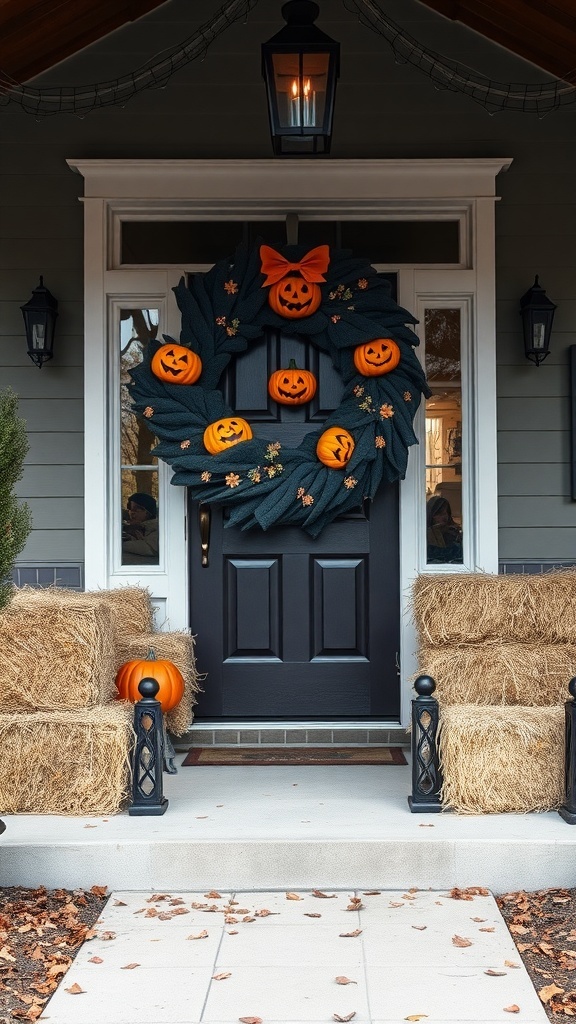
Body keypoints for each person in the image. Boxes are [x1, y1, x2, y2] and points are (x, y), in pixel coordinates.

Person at [122, 492, 159, 564]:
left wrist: (119, 544)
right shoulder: (139, 529)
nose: (132, 512)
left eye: (136, 509)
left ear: (148, 512)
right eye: (130, 509)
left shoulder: (156, 528)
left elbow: (149, 549)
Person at [426, 495, 462, 563]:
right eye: (440, 514)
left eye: (446, 513)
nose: (445, 517)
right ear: (431, 515)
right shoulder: (424, 536)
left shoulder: (455, 534)